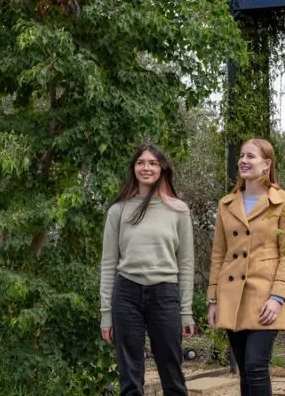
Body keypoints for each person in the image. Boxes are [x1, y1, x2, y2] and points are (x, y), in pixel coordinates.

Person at [100, 144, 196, 396]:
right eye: (141, 162)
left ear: (162, 168)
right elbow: (109, 264)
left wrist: (186, 312)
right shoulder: (118, 210)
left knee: (171, 371)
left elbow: (186, 264)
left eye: (153, 163)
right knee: (129, 375)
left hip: (165, 294)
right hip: (126, 294)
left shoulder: (179, 210)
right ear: (134, 168)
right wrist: (106, 315)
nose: (147, 167)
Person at [207, 138, 285, 396]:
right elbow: (218, 254)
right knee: (245, 371)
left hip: (265, 296)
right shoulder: (227, 203)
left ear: (267, 164)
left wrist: (278, 297)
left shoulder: (284, 201)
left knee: (257, 365)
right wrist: (213, 299)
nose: (244, 161)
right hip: (232, 294)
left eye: (251, 157)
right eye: (242, 156)